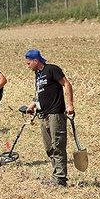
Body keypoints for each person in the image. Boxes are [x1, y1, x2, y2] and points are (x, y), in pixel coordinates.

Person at [24, 49, 74, 187]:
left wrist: (70, 105)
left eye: (29, 63)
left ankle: (60, 179)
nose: (27, 66)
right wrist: (31, 105)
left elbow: (67, 84)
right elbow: (40, 94)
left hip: (55, 114)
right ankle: (55, 176)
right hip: (43, 115)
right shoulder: (38, 75)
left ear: (36, 61)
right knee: (49, 147)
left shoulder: (52, 69)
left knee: (58, 146)